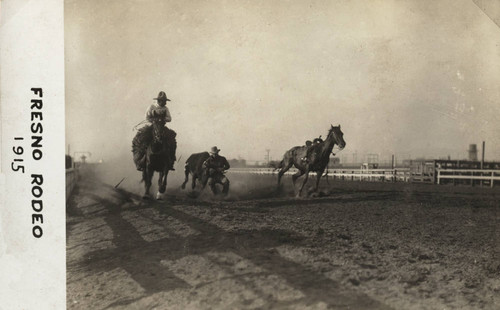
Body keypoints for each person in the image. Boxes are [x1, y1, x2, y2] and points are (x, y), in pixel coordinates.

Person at [132, 91, 177, 171]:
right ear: (159, 100)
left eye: (165, 101)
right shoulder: (151, 107)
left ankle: (171, 160)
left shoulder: (166, 108)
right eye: (163, 101)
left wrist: (162, 119)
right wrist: (153, 119)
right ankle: (139, 161)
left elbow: (169, 118)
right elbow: (146, 117)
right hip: (153, 126)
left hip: (162, 127)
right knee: (141, 138)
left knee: (172, 138)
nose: (164, 102)